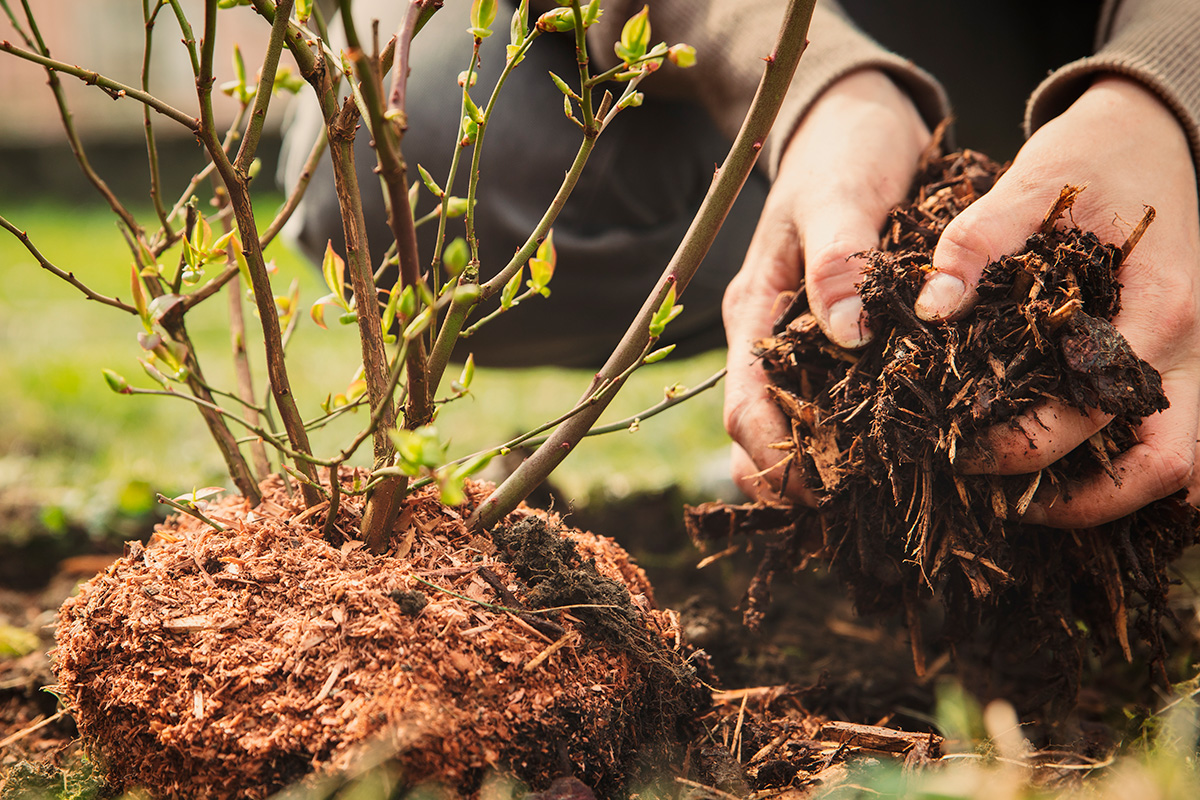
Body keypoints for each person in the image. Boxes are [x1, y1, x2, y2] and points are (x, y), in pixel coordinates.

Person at [282, 0, 1200, 526]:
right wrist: (812, 81)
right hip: (847, 27)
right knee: (378, 154)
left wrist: (1166, 91)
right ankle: (835, 234)